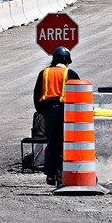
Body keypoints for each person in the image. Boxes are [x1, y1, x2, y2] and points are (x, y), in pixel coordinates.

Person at [33, 46, 80, 186]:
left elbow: (37, 94)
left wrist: (42, 111)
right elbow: (79, 94)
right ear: (67, 61)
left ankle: (50, 174)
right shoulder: (70, 74)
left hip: (48, 113)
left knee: (51, 143)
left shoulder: (44, 73)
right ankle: (60, 178)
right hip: (64, 112)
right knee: (62, 145)